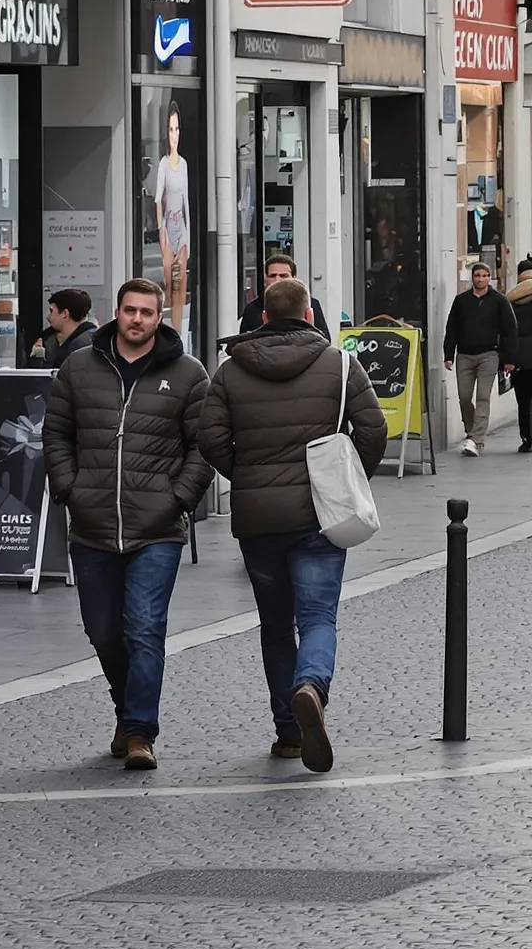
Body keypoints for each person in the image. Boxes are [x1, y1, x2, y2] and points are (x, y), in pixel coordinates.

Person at [200, 276, 387, 772]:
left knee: (275, 625)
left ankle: (287, 732)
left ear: (263, 318)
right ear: (309, 315)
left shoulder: (229, 371)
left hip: (258, 518)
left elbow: (209, 437)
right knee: (318, 617)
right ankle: (311, 686)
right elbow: (373, 427)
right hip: (320, 515)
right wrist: (348, 477)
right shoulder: (340, 363)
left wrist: (244, 474)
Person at [43, 277, 210, 773]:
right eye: (130, 310)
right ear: (117, 312)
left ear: (160, 318)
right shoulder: (78, 366)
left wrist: (177, 499)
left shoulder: (187, 374)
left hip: (156, 527)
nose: (137, 319)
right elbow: (56, 434)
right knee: (102, 630)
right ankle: (125, 708)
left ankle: (140, 731)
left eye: (147, 312)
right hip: (91, 523)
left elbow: (203, 448)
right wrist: (71, 489)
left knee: (144, 629)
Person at [445, 259, 514, 455]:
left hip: (489, 355)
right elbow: (452, 328)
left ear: (489, 278)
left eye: (485, 276)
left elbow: (510, 329)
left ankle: (476, 439)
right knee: (464, 397)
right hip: (464, 355)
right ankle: (471, 432)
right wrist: (448, 354)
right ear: (472, 278)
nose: (481, 279)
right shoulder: (461, 301)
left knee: (483, 397)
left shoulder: (499, 300)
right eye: (478, 275)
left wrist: (509, 359)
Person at [154, 101, 192, 340]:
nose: (174, 134)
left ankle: (178, 333)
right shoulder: (164, 165)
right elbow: (158, 200)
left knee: (181, 285)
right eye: (170, 129)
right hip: (168, 227)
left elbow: (186, 199)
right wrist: (161, 231)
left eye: (177, 129)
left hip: (182, 229)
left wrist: (188, 235)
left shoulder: (184, 164)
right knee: (169, 286)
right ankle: (167, 332)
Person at [237, 253, 330, 338]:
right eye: (272, 275)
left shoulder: (311, 304)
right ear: (265, 279)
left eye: (283, 276)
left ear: (293, 278)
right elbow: (243, 342)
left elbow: (324, 338)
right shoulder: (252, 309)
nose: (277, 280)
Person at [28, 288, 95, 369]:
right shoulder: (50, 339)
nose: (48, 317)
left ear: (65, 314)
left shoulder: (81, 346)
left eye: (51, 311)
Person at [506, 260, 532, 454]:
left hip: (519, 360)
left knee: (523, 402)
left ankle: (527, 438)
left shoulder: (510, 303)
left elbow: (505, 334)